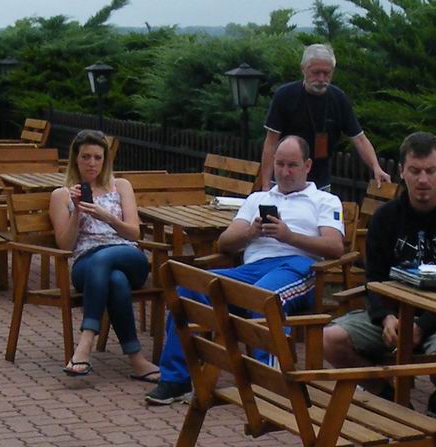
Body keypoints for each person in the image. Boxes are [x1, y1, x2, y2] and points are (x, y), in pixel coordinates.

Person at [147, 135, 346, 406]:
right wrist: (251, 232)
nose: (285, 172)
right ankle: (176, 380)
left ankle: (272, 386)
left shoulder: (324, 200)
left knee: (264, 296)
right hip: (251, 269)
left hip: (297, 267)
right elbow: (224, 243)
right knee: (188, 289)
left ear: (308, 165)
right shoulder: (257, 199)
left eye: (293, 165)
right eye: (280, 164)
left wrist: (288, 236)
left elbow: (335, 247)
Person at [322, 131, 436, 371]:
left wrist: (422, 326)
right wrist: (386, 317)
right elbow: (374, 279)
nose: (423, 179)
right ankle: (384, 389)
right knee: (329, 340)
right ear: (401, 171)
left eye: (430, 171)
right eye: (414, 171)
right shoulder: (384, 218)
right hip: (395, 316)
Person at [51, 130, 160, 383]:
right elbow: (65, 245)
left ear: (105, 160)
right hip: (86, 263)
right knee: (115, 280)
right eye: (85, 157)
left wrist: (107, 217)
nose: (92, 163)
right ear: (75, 159)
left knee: (105, 260)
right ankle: (137, 360)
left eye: (97, 157)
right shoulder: (61, 195)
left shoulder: (121, 186)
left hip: (127, 254)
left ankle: (86, 341)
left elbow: (134, 233)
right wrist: (77, 212)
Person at [259, 44, 390, 191]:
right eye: (316, 73)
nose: (321, 78)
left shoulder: (339, 99)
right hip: (284, 181)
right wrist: (266, 186)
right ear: (303, 69)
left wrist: (376, 167)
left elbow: (359, 138)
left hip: (320, 185)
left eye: (326, 73)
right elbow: (271, 143)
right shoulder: (284, 96)